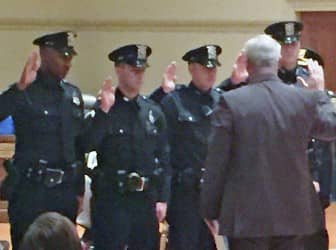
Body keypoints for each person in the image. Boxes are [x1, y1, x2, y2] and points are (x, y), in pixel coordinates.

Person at [200, 34, 336, 250]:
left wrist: (210, 209)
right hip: (295, 216)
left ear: (247, 63)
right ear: (278, 59)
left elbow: (217, 161)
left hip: (246, 218)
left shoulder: (231, 101)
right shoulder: (303, 100)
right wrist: (319, 93)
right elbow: (331, 128)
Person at [0, 31, 85, 250]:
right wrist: (18, 89)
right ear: (45, 55)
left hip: (63, 193)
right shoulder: (24, 91)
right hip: (31, 191)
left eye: (70, 57)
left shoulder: (73, 96)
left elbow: (78, 147)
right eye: (63, 57)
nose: (68, 64)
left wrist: (78, 191)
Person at [83, 44, 171, 250]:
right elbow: (87, 145)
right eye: (134, 70)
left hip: (144, 201)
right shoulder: (105, 108)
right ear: (119, 69)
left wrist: (163, 199)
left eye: (142, 70)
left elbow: (165, 158)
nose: (140, 76)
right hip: (112, 200)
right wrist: (103, 113)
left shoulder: (152, 111)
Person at [160, 45, 222, 250]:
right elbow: (163, 151)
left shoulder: (223, 102)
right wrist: (163, 197)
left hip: (214, 192)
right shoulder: (174, 101)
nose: (211, 73)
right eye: (206, 68)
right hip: (185, 194)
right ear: (192, 68)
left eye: (214, 68)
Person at [298, 48, 333, 250]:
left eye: (310, 71)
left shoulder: (328, 100)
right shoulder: (289, 101)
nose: (306, 78)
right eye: (302, 71)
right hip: (292, 185)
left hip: (322, 184)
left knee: (316, 238)